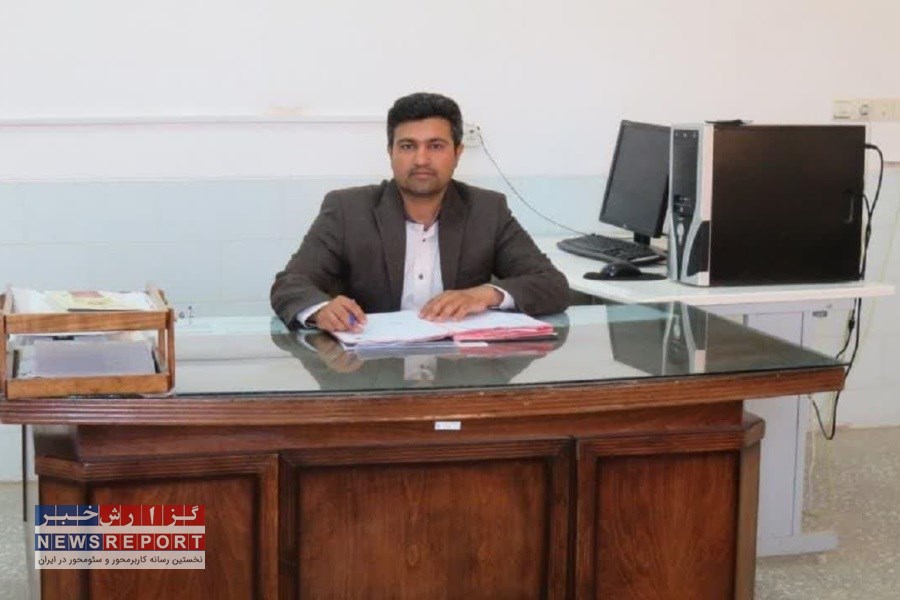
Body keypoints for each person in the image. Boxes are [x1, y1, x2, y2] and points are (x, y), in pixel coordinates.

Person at [271, 92, 569, 332]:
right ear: (390, 152)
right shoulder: (347, 210)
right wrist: (322, 309)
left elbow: (552, 284)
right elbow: (290, 284)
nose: (421, 159)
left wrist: (483, 294)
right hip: (369, 369)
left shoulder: (487, 210)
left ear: (458, 153)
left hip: (460, 369)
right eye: (407, 146)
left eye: (436, 146)